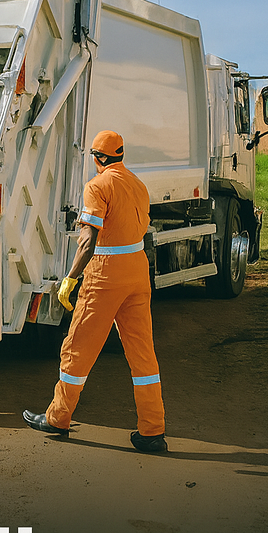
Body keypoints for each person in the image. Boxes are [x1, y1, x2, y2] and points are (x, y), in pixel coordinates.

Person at [23, 130, 167, 452]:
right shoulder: (138, 185)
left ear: (99, 158)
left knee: (77, 349)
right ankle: (152, 431)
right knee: (143, 355)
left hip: (105, 276)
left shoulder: (97, 186)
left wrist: (70, 278)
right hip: (137, 274)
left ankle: (58, 417)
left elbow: (88, 241)